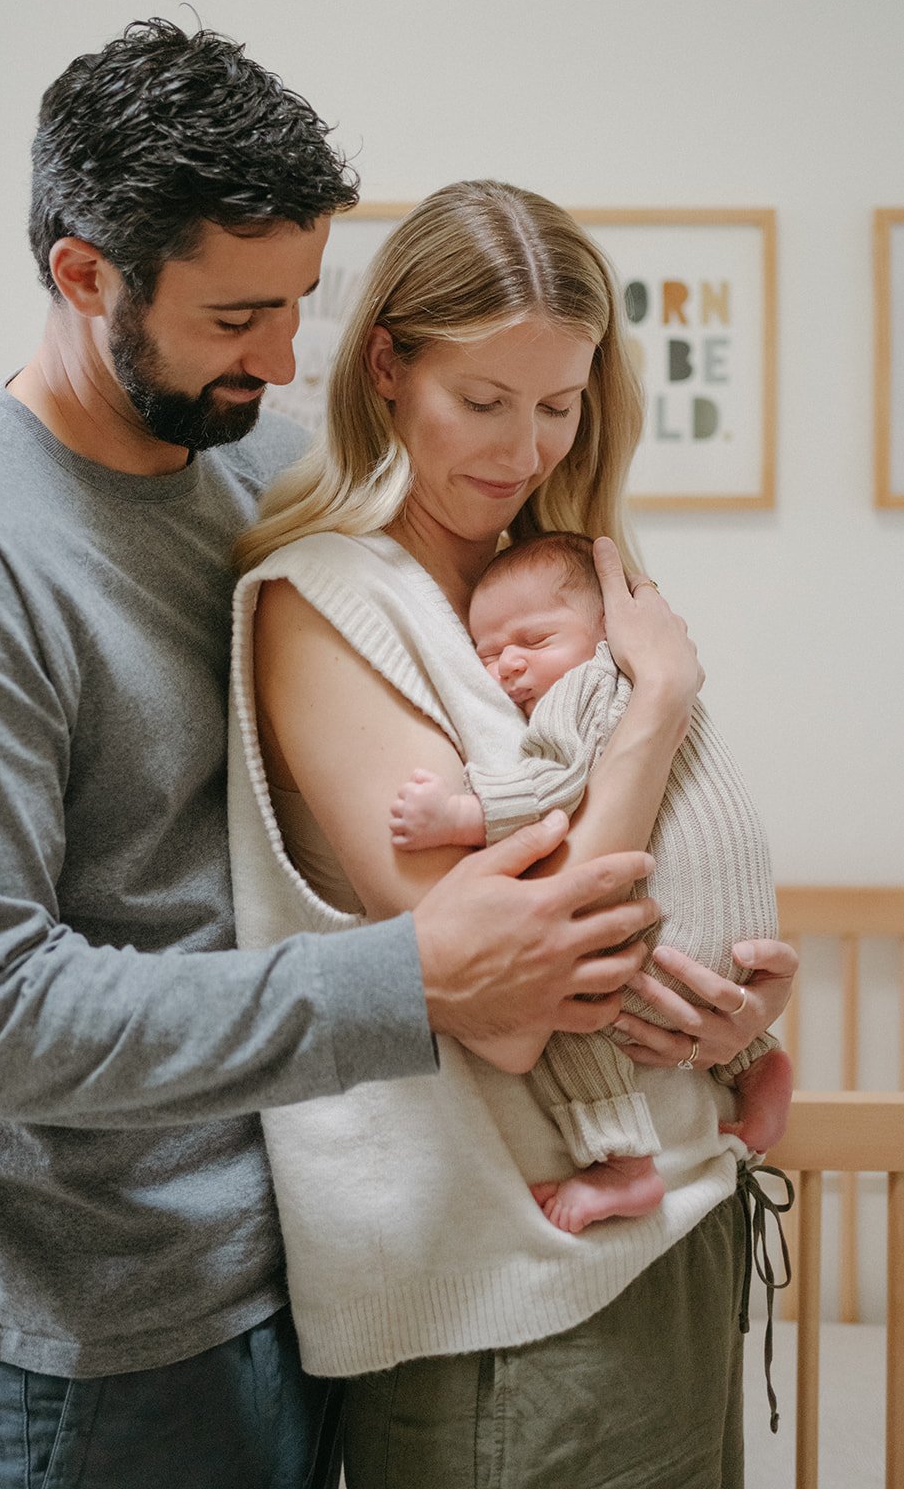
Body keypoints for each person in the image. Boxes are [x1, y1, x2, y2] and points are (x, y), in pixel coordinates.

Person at [0, 24, 674, 1489]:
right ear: (86, 276)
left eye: (299, 305)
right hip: (100, 1340)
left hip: (318, 1261)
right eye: (236, 318)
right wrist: (410, 982)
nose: (282, 360)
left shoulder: (264, 473)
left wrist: (636, 956)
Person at [230, 179, 797, 1488]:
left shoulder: (544, 579)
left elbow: (678, 847)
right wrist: (656, 698)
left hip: (681, 1217)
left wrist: (739, 1008)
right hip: (505, 1302)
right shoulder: (327, 605)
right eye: (483, 401)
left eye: (560, 404)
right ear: (387, 366)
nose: (526, 446)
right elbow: (506, 1007)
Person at [390, 529, 794, 1234]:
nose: (509, 664)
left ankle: (620, 1161)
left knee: (564, 1002)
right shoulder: (655, 685)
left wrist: (456, 812)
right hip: (740, 941)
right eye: (486, 653)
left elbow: (553, 780)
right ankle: (758, 1067)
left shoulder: (586, 685)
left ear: (606, 630)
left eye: (534, 640)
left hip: (669, 958)